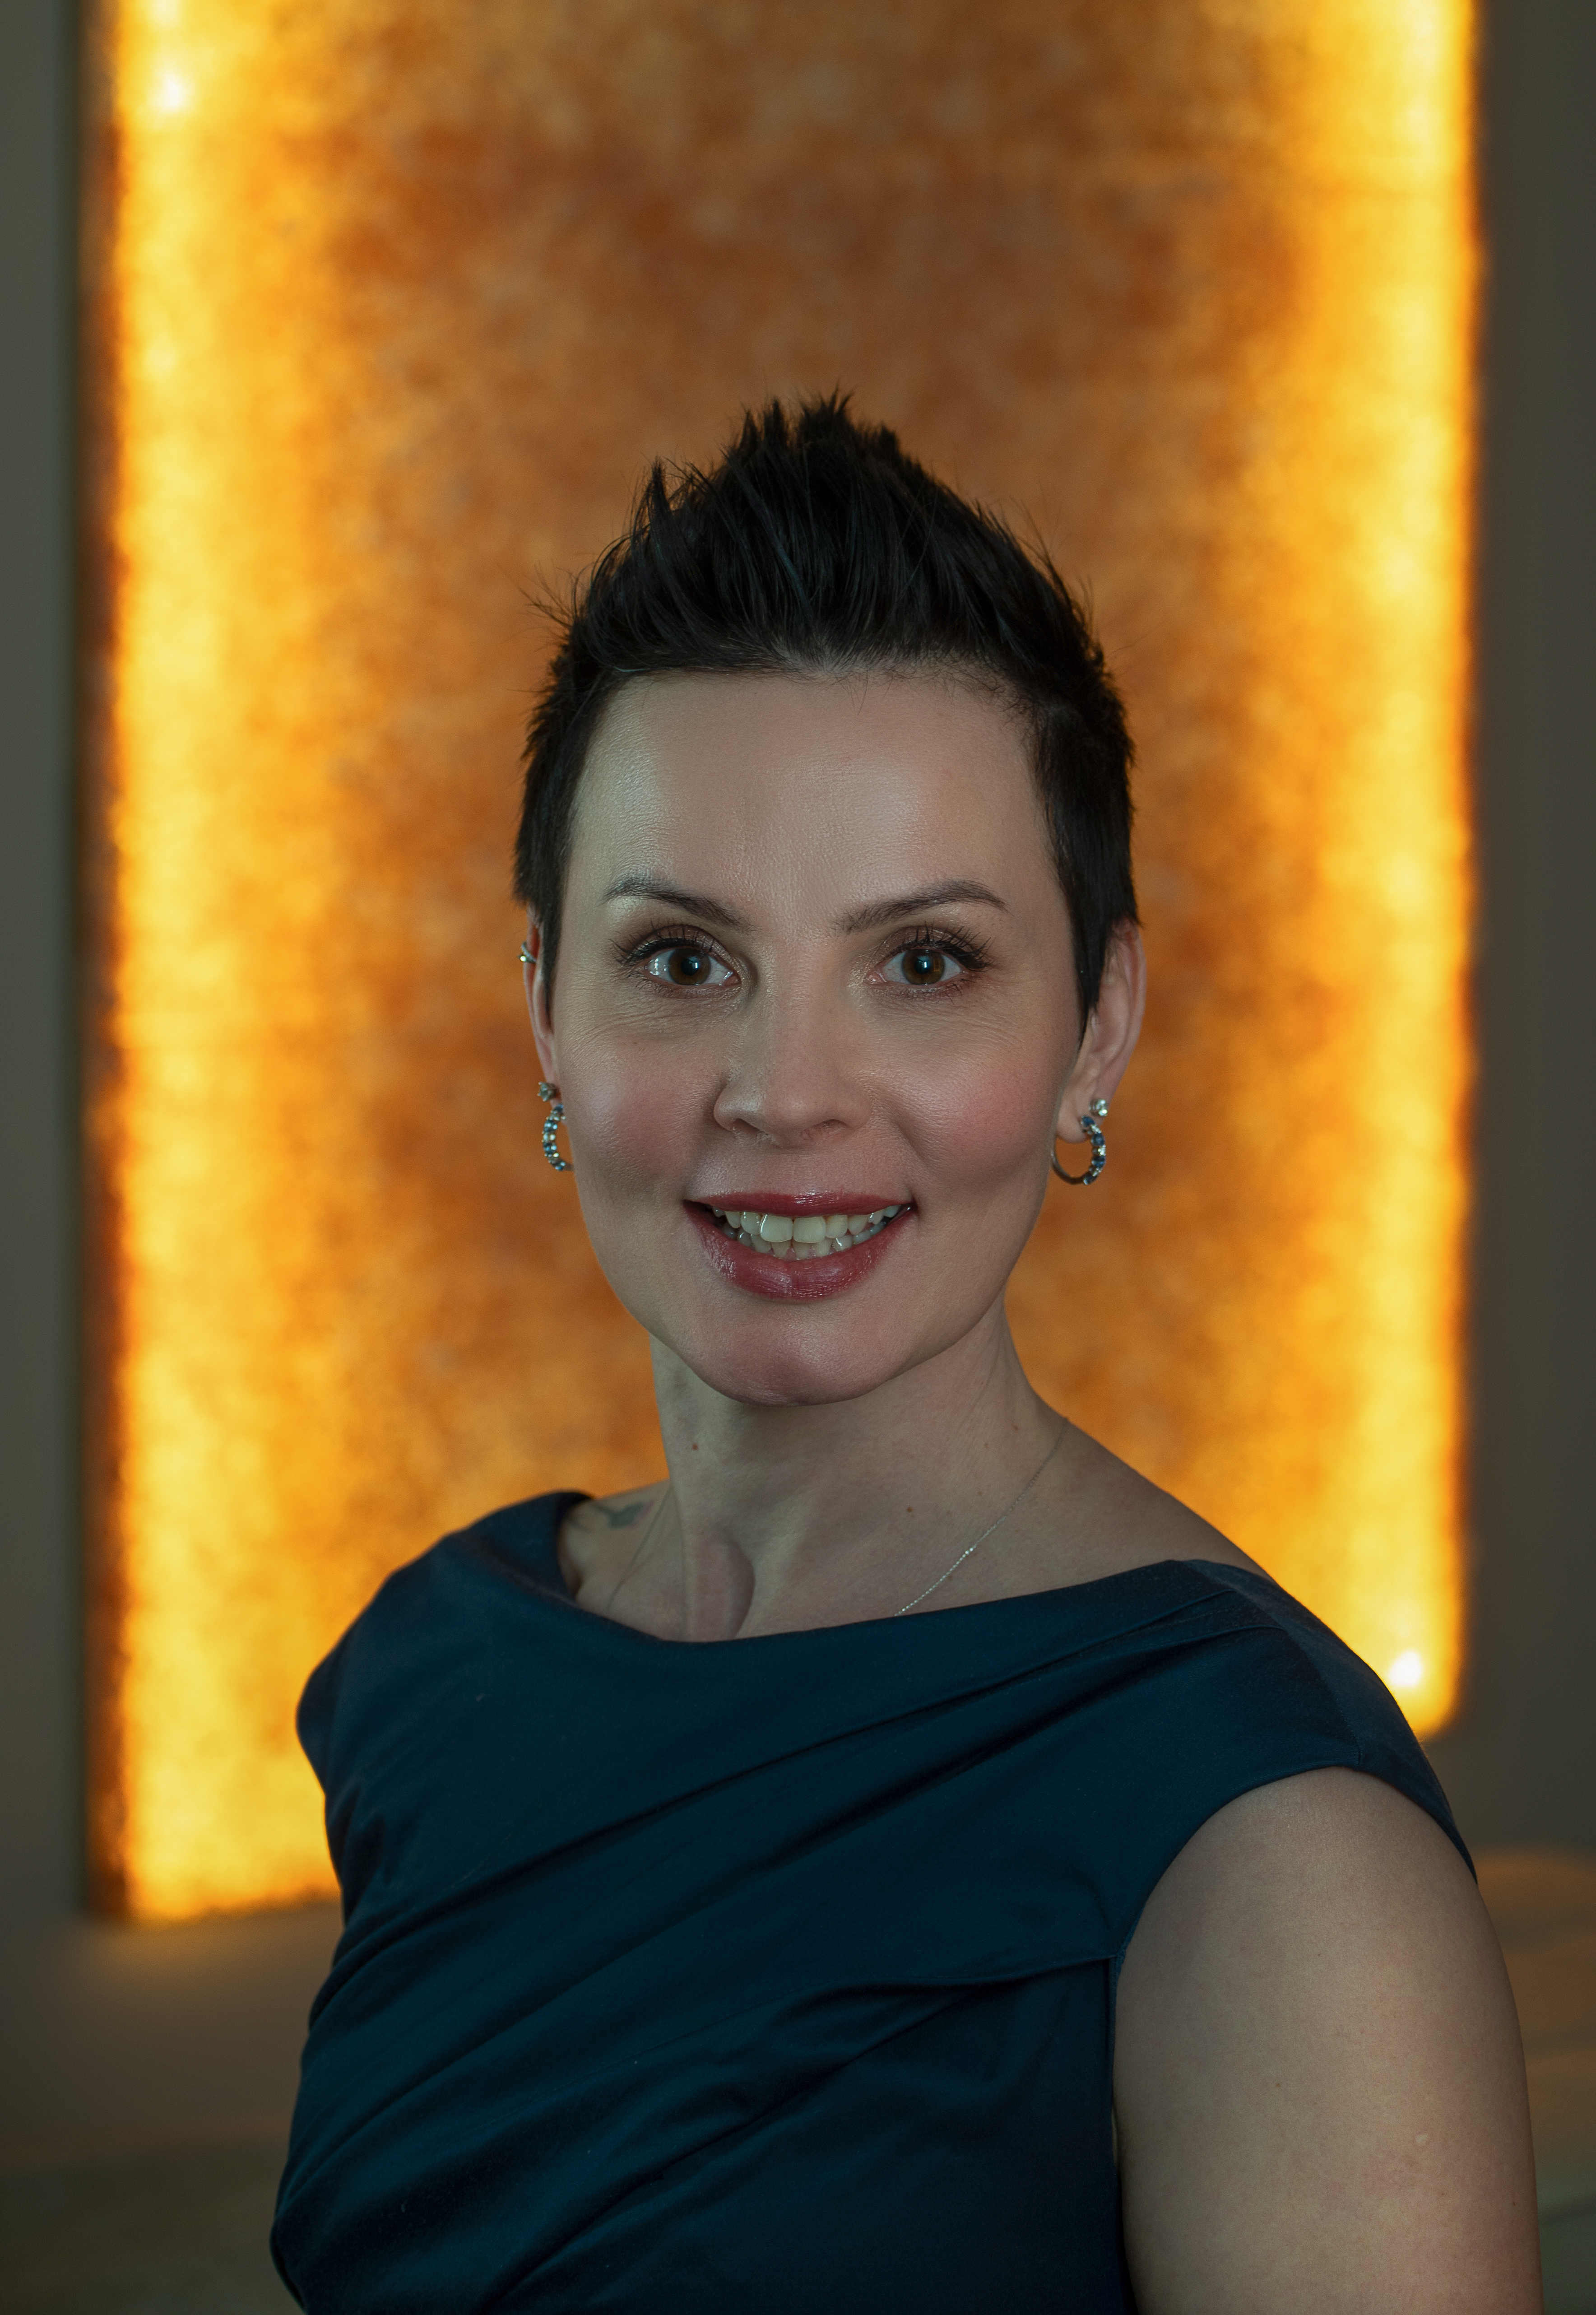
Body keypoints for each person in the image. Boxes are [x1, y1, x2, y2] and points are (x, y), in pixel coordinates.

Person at [272, 398, 1540, 2312]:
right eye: (684, 959)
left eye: (924, 962)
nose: (784, 1097)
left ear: (1094, 1028)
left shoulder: (1275, 1854)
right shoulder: (432, 1670)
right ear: (543, 1002)